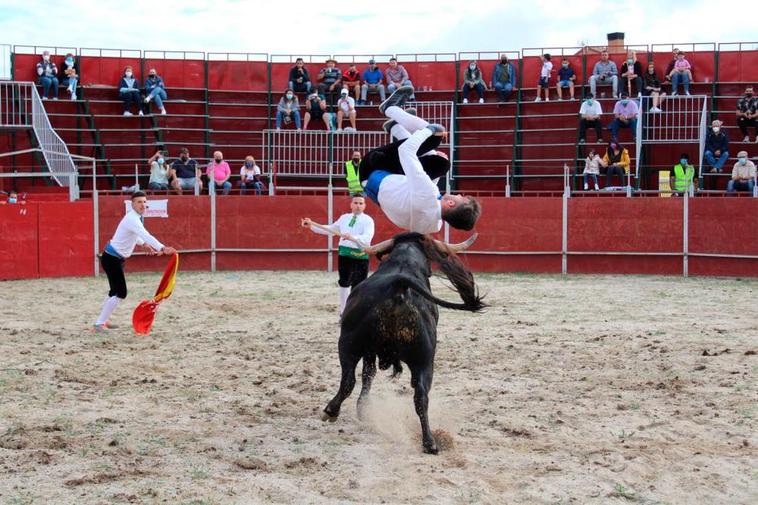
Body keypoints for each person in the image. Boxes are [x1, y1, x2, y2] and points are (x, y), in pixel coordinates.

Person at [360, 86, 481, 233]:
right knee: (440, 164)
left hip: (372, 167)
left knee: (435, 136)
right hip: (380, 183)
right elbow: (420, 193)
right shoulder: (433, 226)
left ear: (450, 203)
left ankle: (390, 109)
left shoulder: (427, 193)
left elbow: (405, 151)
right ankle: (395, 127)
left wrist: (428, 130)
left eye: (461, 198)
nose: (459, 195)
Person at [93, 191, 177, 333]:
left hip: (115, 258)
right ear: (132, 204)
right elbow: (145, 234)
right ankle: (99, 324)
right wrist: (162, 247)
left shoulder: (136, 217)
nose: (143, 205)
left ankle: (102, 321)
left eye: (144, 202)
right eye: (139, 202)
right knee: (121, 293)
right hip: (112, 258)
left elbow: (135, 235)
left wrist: (143, 244)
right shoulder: (133, 218)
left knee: (114, 291)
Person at [301, 194, 375, 316]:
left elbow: (367, 238)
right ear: (351, 205)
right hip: (345, 254)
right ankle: (344, 311)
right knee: (344, 282)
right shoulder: (344, 218)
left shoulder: (368, 220)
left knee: (360, 285)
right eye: (355, 203)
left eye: (361, 203)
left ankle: (356, 312)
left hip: (361, 255)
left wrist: (353, 237)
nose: (358, 206)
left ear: (364, 206)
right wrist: (312, 226)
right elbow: (331, 229)